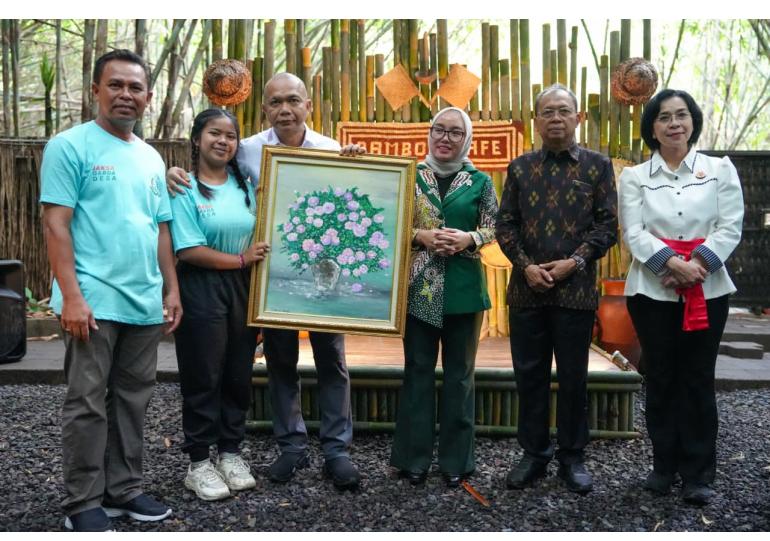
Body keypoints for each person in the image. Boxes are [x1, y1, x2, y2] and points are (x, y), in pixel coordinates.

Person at [167, 72, 361, 490]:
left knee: (332, 359)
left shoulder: (333, 149)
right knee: (279, 359)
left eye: (293, 100)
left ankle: (337, 450)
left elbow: (357, 195)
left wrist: (358, 164)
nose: (285, 109)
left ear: (308, 104)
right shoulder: (247, 150)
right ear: (265, 109)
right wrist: (172, 173)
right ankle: (290, 445)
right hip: (268, 277)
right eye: (275, 102)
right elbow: (210, 176)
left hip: (325, 275)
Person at [40, 49, 181, 531]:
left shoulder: (149, 155)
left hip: (143, 301)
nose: (126, 95)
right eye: (116, 85)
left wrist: (171, 290)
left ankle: (124, 489)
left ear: (147, 96)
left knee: (133, 399)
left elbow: (160, 229)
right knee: (86, 401)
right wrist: (72, 297)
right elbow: (56, 225)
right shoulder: (70, 146)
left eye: (135, 87)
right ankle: (82, 500)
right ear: (95, 90)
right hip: (93, 298)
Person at [619, 89, 743, 506]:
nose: (674, 123)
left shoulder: (718, 169)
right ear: (651, 127)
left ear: (693, 122)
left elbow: (730, 225)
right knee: (661, 376)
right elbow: (633, 231)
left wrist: (698, 266)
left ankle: (698, 472)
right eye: (664, 117)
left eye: (682, 115)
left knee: (697, 377)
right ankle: (663, 465)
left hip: (708, 289)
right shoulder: (635, 177)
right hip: (652, 291)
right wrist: (672, 263)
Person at [496, 83, 618, 494]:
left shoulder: (597, 167)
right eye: (547, 112)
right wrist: (527, 267)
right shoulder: (520, 167)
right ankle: (533, 455)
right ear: (536, 120)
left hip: (576, 291)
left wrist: (575, 262)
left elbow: (607, 226)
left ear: (578, 117)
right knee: (529, 376)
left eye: (563, 111)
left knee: (573, 377)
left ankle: (572, 456)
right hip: (527, 290)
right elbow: (505, 225)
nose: (555, 118)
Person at [387, 107, 498, 487]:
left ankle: (456, 461)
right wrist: (419, 236)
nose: (445, 138)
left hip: (465, 288)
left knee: (460, 376)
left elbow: (495, 225)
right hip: (420, 286)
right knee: (417, 372)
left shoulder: (480, 181)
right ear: (429, 134)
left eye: (455, 132)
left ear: (466, 139)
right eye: (439, 130)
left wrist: (471, 238)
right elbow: (389, 221)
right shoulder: (409, 176)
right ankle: (413, 459)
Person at [169, 109, 271, 501]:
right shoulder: (184, 187)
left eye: (231, 136)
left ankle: (230, 452)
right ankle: (198, 462)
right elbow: (189, 249)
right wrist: (242, 260)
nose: (223, 141)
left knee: (237, 373)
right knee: (203, 374)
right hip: (202, 285)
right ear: (197, 139)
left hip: (242, 287)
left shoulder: (244, 185)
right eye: (215, 133)